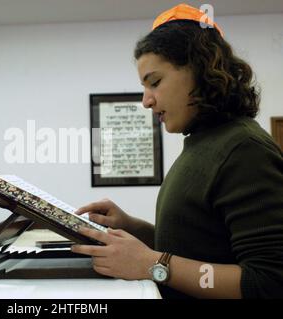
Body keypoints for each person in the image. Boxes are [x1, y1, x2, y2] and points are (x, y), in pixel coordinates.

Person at [71, 3, 283, 299]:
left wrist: (152, 264)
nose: (146, 101)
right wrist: (134, 229)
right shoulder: (203, 141)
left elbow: (268, 282)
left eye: (154, 82)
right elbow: (201, 246)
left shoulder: (244, 149)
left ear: (200, 69)